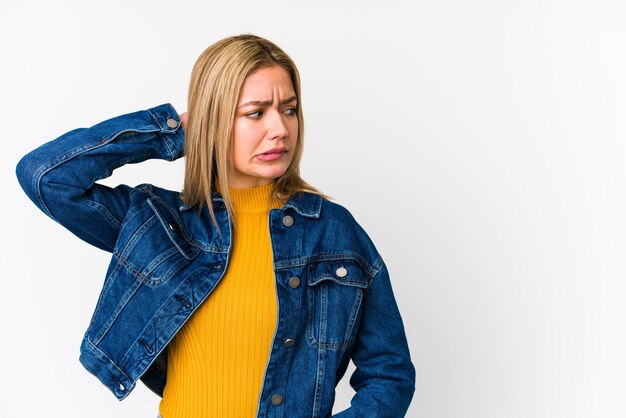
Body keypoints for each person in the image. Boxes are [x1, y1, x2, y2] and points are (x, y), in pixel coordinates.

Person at [16, 34, 415, 418]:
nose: (280, 128)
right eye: (256, 112)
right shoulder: (161, 224)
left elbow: (390, 374)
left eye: (289, 109)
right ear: (214, 118)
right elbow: (46, 177)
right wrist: (173, 130)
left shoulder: (334, 232)